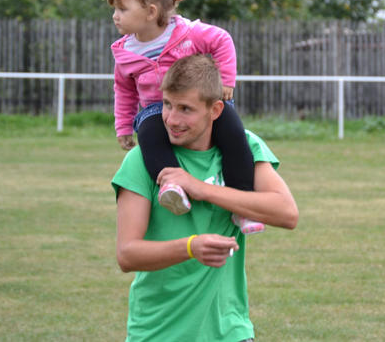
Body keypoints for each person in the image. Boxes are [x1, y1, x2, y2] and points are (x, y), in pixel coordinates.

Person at [112, 54, 299, 342]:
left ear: (215, 109)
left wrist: (200, 188)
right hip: (158, 332)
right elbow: (127, 255)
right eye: (167, 105)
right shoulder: (141, 160)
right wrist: (190, 247)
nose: (171, 119)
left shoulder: (245, 148)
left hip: (231, 331)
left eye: (185, 109)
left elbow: (287, 213)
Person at [107, 0, 262, 234]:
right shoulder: (125, 53)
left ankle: (243, 204)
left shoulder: (188, 33)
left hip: (201, 102)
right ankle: (173, 187)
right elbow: (124, 91)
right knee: (149, 137)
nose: (115, 16)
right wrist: (123, 127)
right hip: (155, 109)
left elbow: (222, 40)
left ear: (151, 12)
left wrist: (226, 80)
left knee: (235, 136)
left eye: (122, 9)